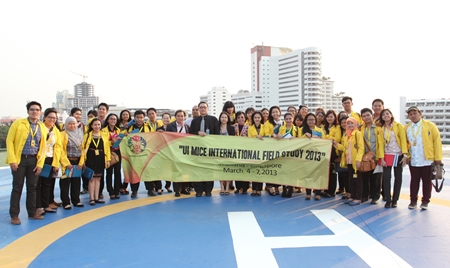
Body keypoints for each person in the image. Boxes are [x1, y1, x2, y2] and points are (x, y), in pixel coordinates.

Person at [7, 101, 48, 224]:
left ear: (40, 112)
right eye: (32, 109)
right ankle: (14, 215)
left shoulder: (42, 127)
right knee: (17, 187)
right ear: (28, 111)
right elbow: (9, 141)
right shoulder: (18, 124)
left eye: (37, 110)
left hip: (34, 160)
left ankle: (32, 212)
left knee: (32, 187)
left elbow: (43, 147)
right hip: (20, 160)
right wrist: (12, 160)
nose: (34, 112)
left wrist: (40, 164)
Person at [404, 106, 442, 210]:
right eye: (410, 114)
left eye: (414, 113)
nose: (413, 115)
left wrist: (438, 158)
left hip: (427, 159)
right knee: (414, 180)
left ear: (420, 113)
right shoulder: (406, 128)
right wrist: (406, 155)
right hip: (414, 159)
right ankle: (413, 201)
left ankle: (425, 201)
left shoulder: (430, 126)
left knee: (427, 181)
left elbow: (437, 142)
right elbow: (404, 144)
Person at [377, 109, 408, 208]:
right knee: (386, 178)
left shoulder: (398, 126)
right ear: (381, 117)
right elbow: (380, 145)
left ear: (391, 115)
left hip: (398, 155)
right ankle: (388, 199)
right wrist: (381, 158)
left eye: (387, 114)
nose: (385, 116)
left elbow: (403, 140)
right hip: (387, 155)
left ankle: (395, 200)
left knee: (398, 178)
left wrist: (405, 154)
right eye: (383, 115)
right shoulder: (381, 129)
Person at [189, 101, 220, 197]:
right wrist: (197, 133)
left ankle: (208, 190)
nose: (203, 109)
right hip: (197, 149)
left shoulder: (213, 120)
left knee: (209, 170)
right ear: (198, 109)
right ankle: (198, 190)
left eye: (204, 107)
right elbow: (190, 134)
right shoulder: (194, 121)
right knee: (198, 170)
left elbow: (217, 134)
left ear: (208, 109)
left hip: (209, 149)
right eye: (201, 107)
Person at [36, 108, 63, 215]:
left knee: (48, 183)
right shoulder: (39, 128)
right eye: (50, 117)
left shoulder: (56, 131)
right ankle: (38, 206)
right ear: (45, 117)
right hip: (39, 159)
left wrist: (55, 163)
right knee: (37, 183)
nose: (52, 119)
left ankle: (46, 204)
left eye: (54, 118)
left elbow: (58, 148)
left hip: (50, 159)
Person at [333, 117, 364, 206]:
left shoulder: (357, 133)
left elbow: (361, 148)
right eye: (348, 124)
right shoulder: (347, 135)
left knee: (358, 180)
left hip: (356, 161)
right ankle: (352, 196)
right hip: (349, 161)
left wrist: (358, 160)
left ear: (355, 124)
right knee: (352, 180)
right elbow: (344, 148)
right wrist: (336, 144)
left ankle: (358, 198)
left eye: (352, 123)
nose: (350, 125)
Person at [80, 118, 111, 205]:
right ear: (91, 126)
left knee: (98, 178)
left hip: (100, 159)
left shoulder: (104, 135)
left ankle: (97, 197)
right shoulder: (87, 136)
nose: (97, 126)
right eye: (95, 125)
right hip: (90, 159)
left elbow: (107, 149)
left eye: (98, 124)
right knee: (91, 179)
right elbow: (83, 149)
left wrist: (108, 160)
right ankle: (92, 198)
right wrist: (83, 161)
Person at [59, 116, 84, 209]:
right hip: (67, 161)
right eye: (70, 123)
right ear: (66, 124)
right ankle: (65, 202)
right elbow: (60, 150)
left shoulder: (80, 134)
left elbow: (83, 149)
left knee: (76, 182)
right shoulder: (62, 134)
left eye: (74, 123)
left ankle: (76, 200)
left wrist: (81, 162)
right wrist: (66, 163)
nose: (72, 125)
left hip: (77, 161)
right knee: (65, 182)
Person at [300, 113, 326, 200]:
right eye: (309, 120)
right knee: (308, 173)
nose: (310, 121)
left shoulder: (320, 130)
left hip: (317, 154)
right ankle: (308, 193)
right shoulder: (302, 130)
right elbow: (298, 141)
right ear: (306, 121)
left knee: (317, 174)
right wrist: (305, 135)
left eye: (312, 119)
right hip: (306, 155)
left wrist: (316, 138)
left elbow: (325, 141)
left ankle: (318, 192)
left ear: (315, 121)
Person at [360, 108, 382, 204]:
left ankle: (375, 197)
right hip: (364, 157)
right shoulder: (360, 129)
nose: (366, 117)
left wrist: (378, 156)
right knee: (364, 177)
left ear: (372, 115)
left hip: (375, 156)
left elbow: (381, 143)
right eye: (364, 116)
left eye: (368, 115)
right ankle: (365, 195)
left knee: (376, 178)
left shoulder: (378, 128)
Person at [167, 110, 191, 197]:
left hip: (185, 152)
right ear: (175, 117)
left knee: (185, 171)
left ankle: (185, 188)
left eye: (182, 116)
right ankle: (177, 190)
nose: (180, 117)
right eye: (178, 116)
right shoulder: (170, 126)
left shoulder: (187, 127)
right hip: (175, 151)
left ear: (184, 117)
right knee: (176, 170)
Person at [127, 110, 150, 197]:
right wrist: (125, 134)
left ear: (144, 118)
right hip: (134, 153)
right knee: (134, 172)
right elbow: (122, 135)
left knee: (147, 171)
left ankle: (150, 189)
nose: (139, 119)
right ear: (134, 118)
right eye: (137, 117)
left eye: (141, 117)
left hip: (146, 152)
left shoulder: (148, 127)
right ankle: (134, 190)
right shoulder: (129, 127)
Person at [277, 112, 298, 198]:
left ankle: (290, 188)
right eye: (287, 119)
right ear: (284, 120)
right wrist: (277, 135)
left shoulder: (297, 128)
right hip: (283, 152)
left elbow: (301, 138)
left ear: (293, 119)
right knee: (283, 171)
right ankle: (284, 188)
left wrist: (295, 138)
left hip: (293, 153)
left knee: (291, 171)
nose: (288, 120)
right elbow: (272, 134)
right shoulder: (280, 128)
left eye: (290, 118)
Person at [102, 113, 123, 200]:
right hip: (108, 153)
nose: (113, 120)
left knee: (118, 172)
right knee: (109, 173)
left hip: (118, 152)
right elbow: (104, 143)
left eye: (114, 119)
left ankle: (117, 190)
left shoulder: (119, 130)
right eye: (111, 119)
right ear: (107, 120)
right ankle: (111, 191)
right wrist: (112, 141)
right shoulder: (103, 131)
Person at [322, 110, 341, 198]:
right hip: (324, 151)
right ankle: (326, 189)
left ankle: (331, 191)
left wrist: (327, 138)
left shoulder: (337, 127)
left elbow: (337, 139)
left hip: (333, 152)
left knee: (332, 172)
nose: (329, 118)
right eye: (328, 117)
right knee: (325, 172)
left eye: (331, 117)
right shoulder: (323, 127)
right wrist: (329, 139)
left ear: (334, 118)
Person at [265, 106, 283, 195]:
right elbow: (265, 134)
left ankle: (277, 186)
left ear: (280, 112)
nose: (275, 114)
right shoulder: (268, 123)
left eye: (277, 111)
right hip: (270, 148)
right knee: (270, 166)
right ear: (271, 114)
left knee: (278, 167)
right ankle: (269, 186)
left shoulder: (283, 123)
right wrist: (272, 135)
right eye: (273, 112)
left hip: (280, 148)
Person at [145, 108, 164, 195]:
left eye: (153, 113)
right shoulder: (145, 125)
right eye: (150, 114)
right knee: (148, 169)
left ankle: (159, 187)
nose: (152, 115)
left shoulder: (161, 123)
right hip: (148, 149)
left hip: (159, 149)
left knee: (158, 168)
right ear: (148, 116)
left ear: (156, 114)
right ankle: (150, 188)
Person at [247, 111, 266, 197]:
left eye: (258, 117)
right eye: (255, 118)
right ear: (253, 119)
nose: (257, 119)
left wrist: (263, 137)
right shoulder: (250, 128)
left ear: (261, 118)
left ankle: (259, 189)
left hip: (262, 151)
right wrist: (256, 136)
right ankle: (254, 189)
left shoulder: (265, 127)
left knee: (260, 171)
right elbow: (249, 138)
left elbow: (269, 135)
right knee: (254, 171)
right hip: (254, 152)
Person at [218, 111, 236, 195]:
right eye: (222, 117)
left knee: (228, 169)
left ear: (228, 119)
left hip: (229, 152)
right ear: (220, 118)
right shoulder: (216, 128)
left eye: (225, 117)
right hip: (218, 152)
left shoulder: (231, 128)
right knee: (220, 169)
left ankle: (228, 186)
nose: (224, 119)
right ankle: (222, 187)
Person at [233, 111, 249, 194]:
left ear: (245, 118)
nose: (240, 119)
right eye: (238, 117)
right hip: (236, 151)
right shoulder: (233, 127)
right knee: (237, 169)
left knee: (245, 169)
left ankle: (245, 187)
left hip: (245, 151)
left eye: (242, 117)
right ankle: (238, 187)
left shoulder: (249, 128)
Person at [157, 112, 173, 193]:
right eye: (164, 118)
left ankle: (168, 186)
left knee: (168, 170)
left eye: (168, 118)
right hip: (161, 152)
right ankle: (159, 187)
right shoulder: (158, 129)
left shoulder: (173, 128)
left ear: (170, 119)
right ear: (162, 119)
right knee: (159, 169)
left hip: (170, 152)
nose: (166, 119)